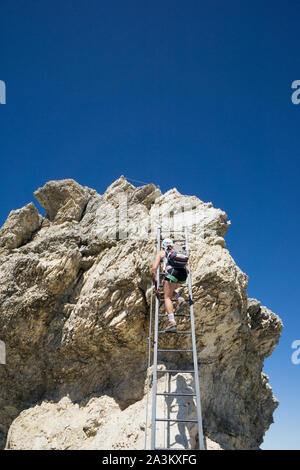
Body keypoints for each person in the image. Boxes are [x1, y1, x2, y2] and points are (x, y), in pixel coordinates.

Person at [150, 238, 188, 332]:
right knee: (170, 292)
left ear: (163, 245)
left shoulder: (161, 252)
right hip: (183, 275)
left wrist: (151, 271)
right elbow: (186, 264)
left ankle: (172, 323)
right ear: (172, 244)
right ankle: (180, 299)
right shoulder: (178, 250)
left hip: (172, 273)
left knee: (167, 297)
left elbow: (155, 267)